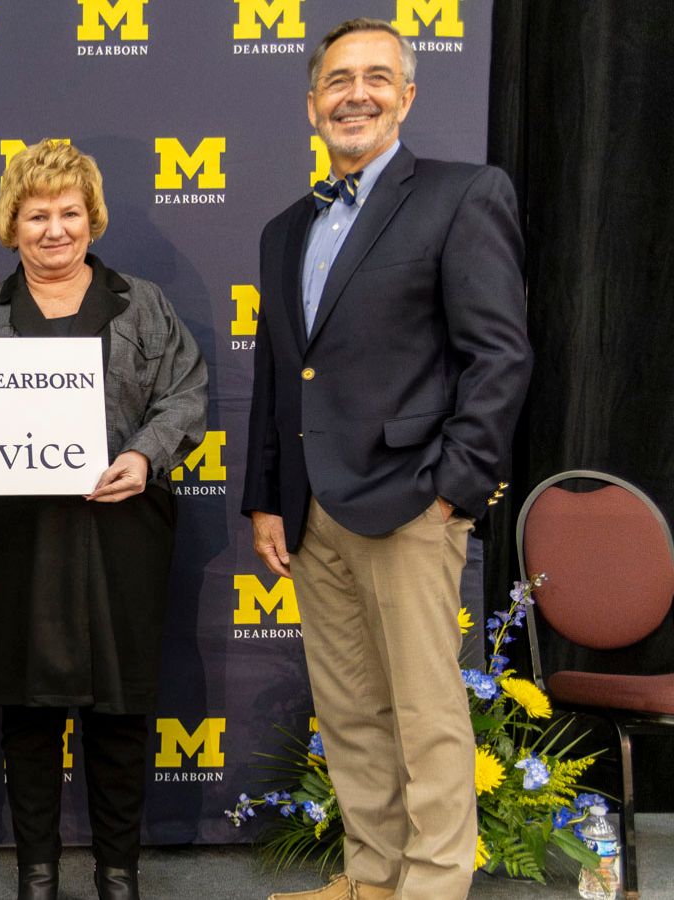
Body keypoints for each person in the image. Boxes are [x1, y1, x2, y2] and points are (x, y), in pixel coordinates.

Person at [243, 19, 531, 900]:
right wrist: (265, 498)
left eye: (376, 78)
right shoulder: (286, 228)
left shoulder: (462, 193)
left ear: (407, 96)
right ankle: (372, 876)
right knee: (351, 710)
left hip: (410, 500)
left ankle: (435, 884)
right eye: (337, 80)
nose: (354, 94)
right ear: (312, 104)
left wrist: (454, 490)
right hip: (313, 509)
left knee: (425, 707)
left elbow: (500, 356)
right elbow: (279, 376)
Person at [0, 140, 207, 900]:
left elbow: (184, 394)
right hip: (18, 539)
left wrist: (147, 456)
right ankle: (38, 874)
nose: (54, 230)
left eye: (69, 213)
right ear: (11, 224)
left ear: (92, 218)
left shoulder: (142, 302)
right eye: (36, 216)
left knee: (120, 712)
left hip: (123, 530)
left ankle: (118, 873)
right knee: (28, 713)